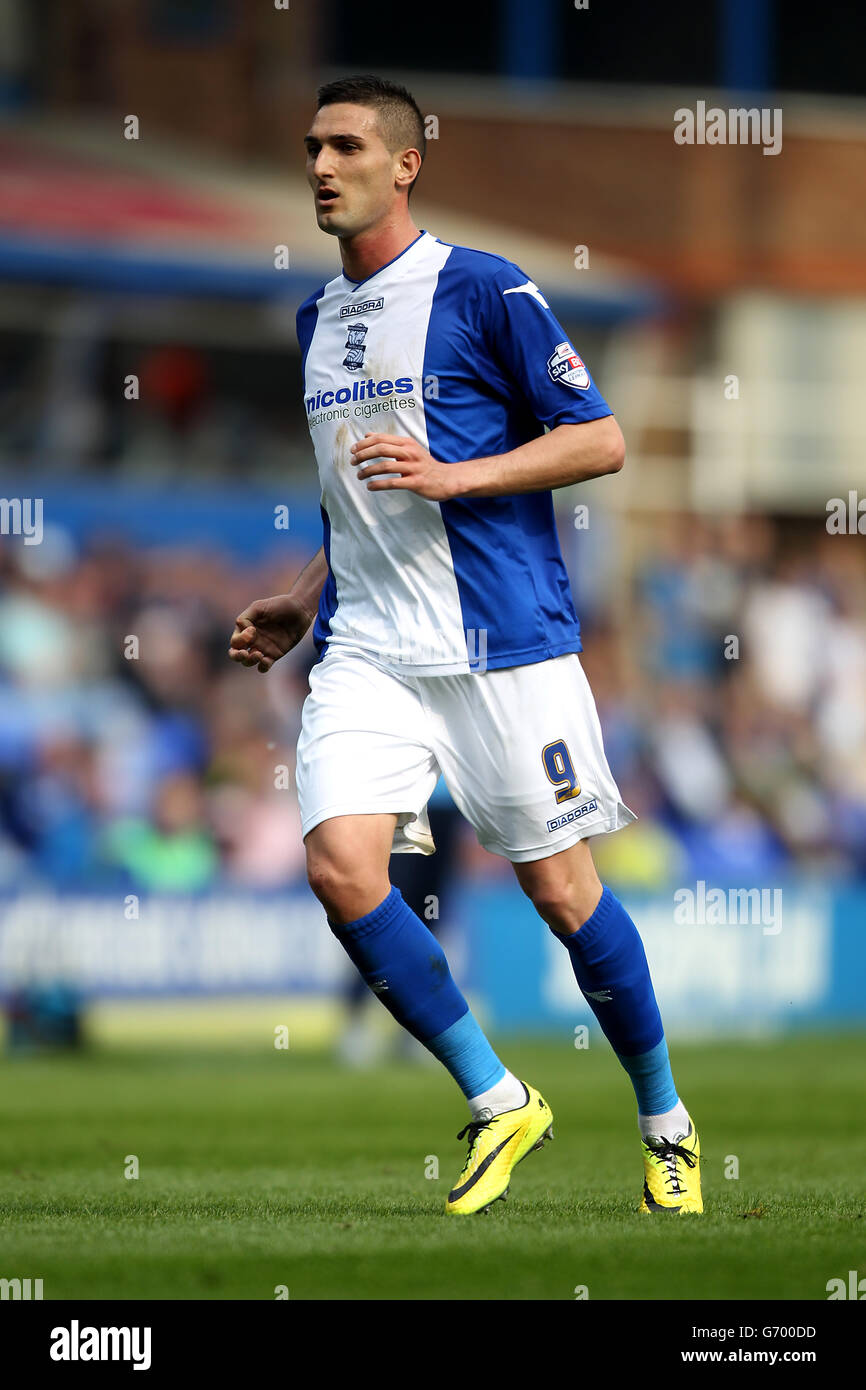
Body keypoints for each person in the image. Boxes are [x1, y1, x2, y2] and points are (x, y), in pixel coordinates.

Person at [230, 75, 702, 1217]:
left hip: (501, 644)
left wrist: (459, 475)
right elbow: (358, 502)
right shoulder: (317, 319)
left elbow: (600, 439)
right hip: (370, 649)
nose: (320, 167)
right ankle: (500, 1100)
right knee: (342, 865)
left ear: (405, 164)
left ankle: (666, 1123)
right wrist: (303, 594)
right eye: (309, 148)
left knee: (562, 893)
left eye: (345, 146)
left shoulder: (484, 290)